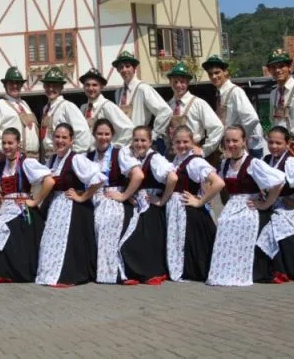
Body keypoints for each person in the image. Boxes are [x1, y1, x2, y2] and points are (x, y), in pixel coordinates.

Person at [206, 126, 286, 287]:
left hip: (249, 205)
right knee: (224, 223)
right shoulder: (225, 163)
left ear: (244, 142)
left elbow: (279, 181)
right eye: (228, 141)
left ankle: (243, 270)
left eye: (235, 140)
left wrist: (265, 204)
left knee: (242, 223)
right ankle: (226, 270)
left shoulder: (253, 163)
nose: (231, 144)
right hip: (231, 206)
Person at [35, 123, 103, 286]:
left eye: (64, 137)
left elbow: (99, 178)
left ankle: (67, 274)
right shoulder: (51, 159)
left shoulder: (77, 159)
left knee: (68, 242)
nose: (60, 140)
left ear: (72, 140)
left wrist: (83, 197)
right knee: (50, 240)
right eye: (57, 137)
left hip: (73, 208)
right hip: (56, 207)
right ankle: (50, 274)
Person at [0, 128, 54, 283]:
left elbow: (49, 181)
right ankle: (2, 271)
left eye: (10, 143)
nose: (7, 146)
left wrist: (35, 201)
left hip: (22, 208)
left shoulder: (26, 163)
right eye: (4, 143)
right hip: (6, 207)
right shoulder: (0, 165)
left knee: (0, 226)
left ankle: (12, 272)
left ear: (18, 144)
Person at [86, 119, 143, 284]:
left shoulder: (120, 153)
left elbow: (138, 175)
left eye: (107, 134)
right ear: (94, 135)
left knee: (104, 223)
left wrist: (124, 196)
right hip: (92, 197)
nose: (103, 137)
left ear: (112, 136)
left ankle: (114, 272)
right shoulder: (89, 156)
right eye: (99, 134)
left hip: (111, 198)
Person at [257, 126, 294, 282]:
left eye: (278, 143)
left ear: (287, 143)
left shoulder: (290, 162)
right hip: (270, 204)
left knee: (272, 228)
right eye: (271, 142)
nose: (274, 147)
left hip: (285, 206)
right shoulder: (266, 160)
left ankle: (278, 268)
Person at [121, 126, 178, 285]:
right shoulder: (137, 158)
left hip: (151, 207)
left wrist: (162, 200)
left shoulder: (154, 158)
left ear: (150, 142)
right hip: (139, 204)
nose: (139, 144)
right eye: (136, 140)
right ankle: (135, 272)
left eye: (143, 140)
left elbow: (172, 178)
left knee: (134, 240)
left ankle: (147, 272)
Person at [167, 126, 223, 283]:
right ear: (172, 143)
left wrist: (200, 201)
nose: (182, 145)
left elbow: (218, 183)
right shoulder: (178, 160)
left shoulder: (195, 162)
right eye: (178, 142)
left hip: (188, 211)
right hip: (178, 211)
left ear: (192, 142)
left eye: (186, 141)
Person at [202, 54, 265, 158]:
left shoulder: (235, 92)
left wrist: (240, 141)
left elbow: (252, 118)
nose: (213, 76)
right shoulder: (220, 93)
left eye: (217, 72)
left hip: (249, 147)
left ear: (225, 72)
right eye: (210, 74)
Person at [0, 66, 41, 162]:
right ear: (5, 85)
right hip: (14, 159)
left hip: (34, 158)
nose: (15, 86)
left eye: (18, 83)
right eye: (11, 83)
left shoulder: (25, 104)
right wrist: (2, 146)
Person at [165, 62, 224, 159]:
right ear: (170, 82)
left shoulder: (199, 104)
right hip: (173, 155)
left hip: (192, 154)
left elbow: (217, 128)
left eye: (182, 81)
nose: (178, 85)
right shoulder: (168, 106)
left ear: (188, 83)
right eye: (175, 81)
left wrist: (205, 150)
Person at [111, 51, 171, 143]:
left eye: (127, 66)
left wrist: (153, 135)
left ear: (134, 69)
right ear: (118, 70)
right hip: (122, 143)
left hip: (139, 143)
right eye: (121, 67)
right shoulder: (118, 92)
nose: (124, 70)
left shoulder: (143, 88)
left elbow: (165, 111)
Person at [40, 66, 92, 156]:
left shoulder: (68, 106)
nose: (51, 89)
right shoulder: (46, 109)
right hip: (49, 157)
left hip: (63, 156)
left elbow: (83, 132)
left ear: (61, 88)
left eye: (55, 86)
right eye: (48, 85)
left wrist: (74, 156)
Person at [79, 67, 134, 145]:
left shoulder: (108, 106)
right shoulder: (83, 108)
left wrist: (115, 148)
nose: (91, 88)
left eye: (94, 85)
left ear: (101, 87)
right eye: (87, 85)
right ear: (84, 87)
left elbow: (128, 129)